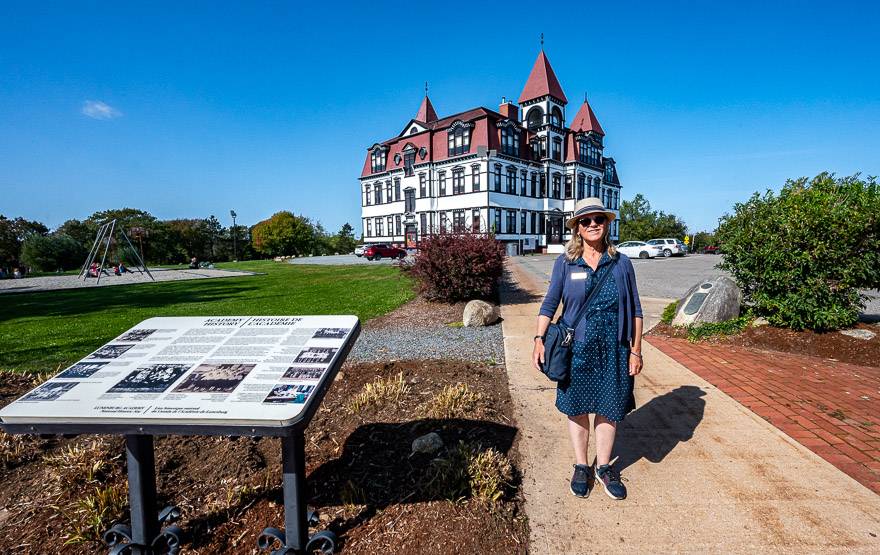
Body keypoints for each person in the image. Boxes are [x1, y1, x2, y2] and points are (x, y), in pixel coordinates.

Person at [532, 197, 644, 500]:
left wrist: (636, 350)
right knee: (577, 407)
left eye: (598, 219)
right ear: (577, 228)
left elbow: (635, 310)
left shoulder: (621, 263)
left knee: (610, 409)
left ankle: (604, 466)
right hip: (576, 348)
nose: (592, 224)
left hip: (614, 350)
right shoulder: (566, 263)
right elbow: (550, 303)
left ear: (606, 224)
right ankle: (582, 465)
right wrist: (539, 339)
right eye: (586, 221)